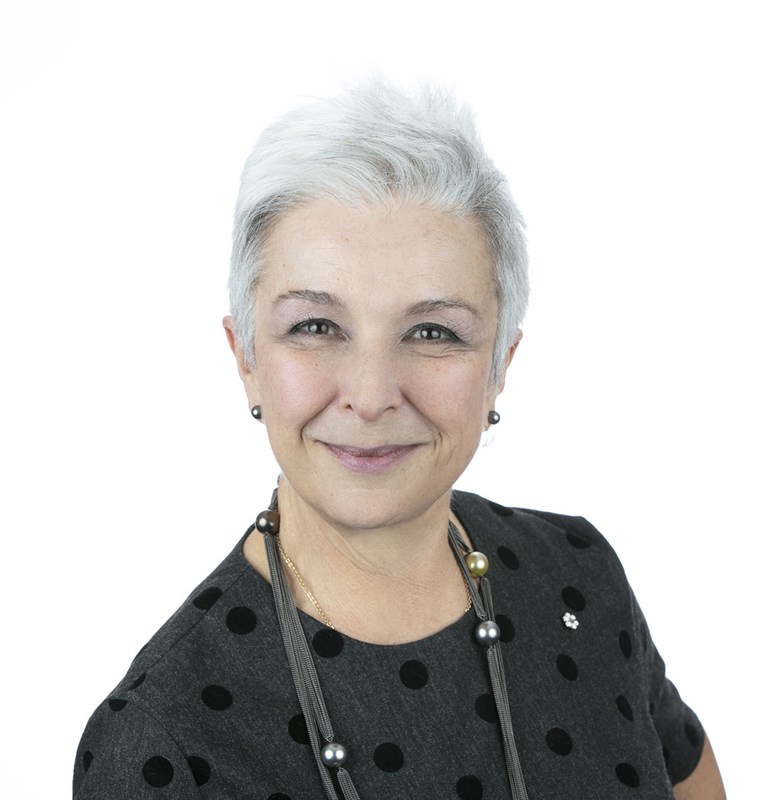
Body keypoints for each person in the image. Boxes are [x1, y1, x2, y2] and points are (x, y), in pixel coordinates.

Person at [73, 81, 725, 799]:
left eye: (433, 332)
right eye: (316, 327)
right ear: (247, 359)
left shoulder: (580, 576)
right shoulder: (162, 738)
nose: (373, 394)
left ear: (500, 367)